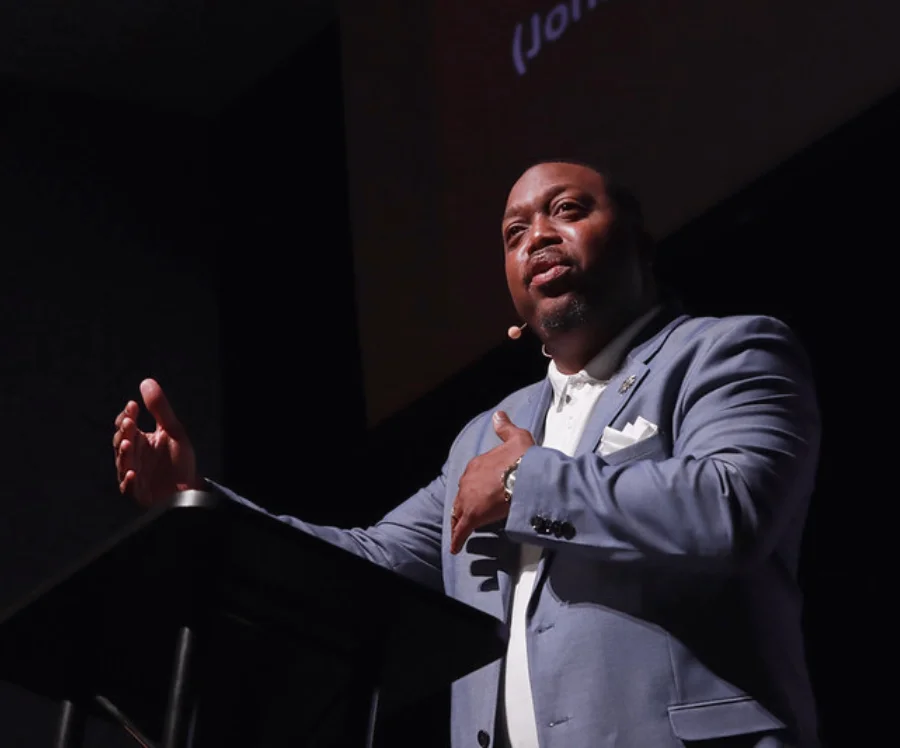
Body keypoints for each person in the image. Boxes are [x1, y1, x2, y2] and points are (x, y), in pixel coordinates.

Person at [113, 160, 821, 748]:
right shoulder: (483, 435)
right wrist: (195, 500)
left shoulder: (725, 352)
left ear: (641, 243)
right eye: (514, 232)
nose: (537, 234)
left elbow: (734, 508)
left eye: (567, 209)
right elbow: (366, 565)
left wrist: (523, 482)